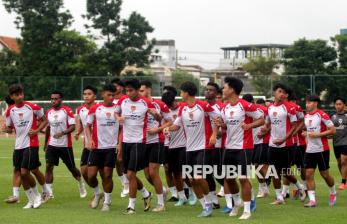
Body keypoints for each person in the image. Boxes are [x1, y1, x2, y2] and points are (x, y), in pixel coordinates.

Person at [164, 81, 219, 218]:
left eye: (181, 92)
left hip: (202, 147)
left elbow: (218, 118)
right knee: (193, 180)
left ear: (187, 92)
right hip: (189, 149)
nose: (180, 95)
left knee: (198, 177)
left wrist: (214, 133)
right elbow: (177, 125)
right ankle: (205, 205)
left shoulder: (203, 106)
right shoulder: (183, 109)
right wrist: (167, 128)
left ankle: (209, 203)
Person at [215, 77, 264, 220]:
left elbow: (261, 119)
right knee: (228, 178)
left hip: (244, 148)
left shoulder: (245, 105)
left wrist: (249, 126)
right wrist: (220, 124)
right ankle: (237, 202)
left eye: (224, 87)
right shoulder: (225, 107)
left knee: (243, 178)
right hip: (228, 147)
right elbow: (225, 127)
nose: (222, 90)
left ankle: (247, 210)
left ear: (232, 89)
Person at [115, 78, 161, 215]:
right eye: (126, 90)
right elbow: (116, 112)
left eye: (131, 90)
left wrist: (156, 114)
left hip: (139, 142)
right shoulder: (122, 101)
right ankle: (146, 194)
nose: (128, 93)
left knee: (130, 174)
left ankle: (131, 206)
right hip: (125, 141)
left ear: (137, 90)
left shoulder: (145, 102)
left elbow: (159, 119)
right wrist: (118, 118)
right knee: (127, 174)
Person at [260, 84, 305, 205]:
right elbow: (268, 124)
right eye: (279, 91)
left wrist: (284, 139)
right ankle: (279, 197)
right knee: (274, 171)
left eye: (284, 92)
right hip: (273, 143)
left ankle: (300, 187)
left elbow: (295, 125)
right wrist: (264, 130)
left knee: (285, 171)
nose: (282, 94)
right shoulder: (269, 108)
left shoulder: (290, 108)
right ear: (274, 93)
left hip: (288, 144)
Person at [4, 84, 47, 209]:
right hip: (18, 145)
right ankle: (30, 200)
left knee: (24, 172)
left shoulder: (32, 107)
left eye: (21, 93)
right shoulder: (10, 111)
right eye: (17, 95)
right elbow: (10, 128)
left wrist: (37, 130)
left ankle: (37, 195)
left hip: (31, 144)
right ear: (12, 97)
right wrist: (6, 129)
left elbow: (44, 120)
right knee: (19, 172)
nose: (20, 96)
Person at [44, 91, 86, 201]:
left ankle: (81, 184)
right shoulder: (48, 112)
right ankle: (49, 192)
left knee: (72, 168)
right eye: (52, 98)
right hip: (52, 144)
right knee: (49, 166)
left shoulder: (67, 111)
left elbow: (73, 126)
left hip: (65, 146)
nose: (53, 100)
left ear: (61, 99)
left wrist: (62, 133)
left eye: (56, 98)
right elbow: (48, 128)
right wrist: (45, 144)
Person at [84, 84, 120, 212]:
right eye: (109, 95)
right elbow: (87, 126)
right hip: (97, 147)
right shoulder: (95, 108)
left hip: (111, 147)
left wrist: (119, 143)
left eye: (113, 95)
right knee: (91, 175)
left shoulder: (118, 109)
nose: (111, 97)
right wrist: (89, 140)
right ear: (103, 94)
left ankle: (107, 202)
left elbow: (121, 127)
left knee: (107, 174)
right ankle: (98, 193)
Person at [139, 80, 172, 212]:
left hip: (157, 141)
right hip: (142, 142)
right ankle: (163, 191)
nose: (140, 93)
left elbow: (170, 121)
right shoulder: (136, 105)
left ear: (149, 90)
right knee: (147, 175)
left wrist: (157, 130)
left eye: (142, 90)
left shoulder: (159, 104)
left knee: (153, 172)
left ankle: (160, 204)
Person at [302, 95, 336, 207]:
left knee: (325, 174)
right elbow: (308, 132)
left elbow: (333, 130)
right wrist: (305, 135)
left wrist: (318, 135)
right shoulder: (306, 116)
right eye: (306, 102)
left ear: (316, 103)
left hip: (322, 149)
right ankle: (312, 200)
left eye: (310, 102)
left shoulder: (322, 115)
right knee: (308, 174)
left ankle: (333, 192)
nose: (307, 104)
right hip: (309, 150)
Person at [204, 82, 225, 209]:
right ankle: (214, 200)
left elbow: (226, 127)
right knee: (207, 174)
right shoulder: (202, 106)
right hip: (205, 146)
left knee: (219, 175)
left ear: (217, 94)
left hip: (218, 146)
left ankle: (235, 197)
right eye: (206, 89)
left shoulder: (221, 108)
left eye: (211, 90)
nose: (208, 92)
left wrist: (218, 134)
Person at [75, 86, 98, 187]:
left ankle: (106, 197)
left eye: (89, 94)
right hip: (87, 146)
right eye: (85, 94)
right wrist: (78, 132)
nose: (86, 96)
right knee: (84, 172)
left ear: (95, 96)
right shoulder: (80, 109)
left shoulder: (99, 108)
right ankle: (97, 192)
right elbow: (82, 124)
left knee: (99, 174)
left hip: (99, 146)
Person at [111, 78, 129, 197]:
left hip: (123, 132)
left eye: (116, 86)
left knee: (120, 159)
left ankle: (127, 183)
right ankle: (124, 183)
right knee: (116, 161)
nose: (114, 88)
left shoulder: (125, 100)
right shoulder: (110, 99)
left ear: (121, 87)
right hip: (110, 133)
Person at [330, 97, 347, 190]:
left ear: (344, 105)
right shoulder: (332, 116)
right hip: (336, 142)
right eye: (336, 104)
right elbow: (328, 129)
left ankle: (343, 182)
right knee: (339, 162)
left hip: (346, 141)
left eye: (340, 104)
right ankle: (345, 178)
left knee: (344, 160)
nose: (338, 106)